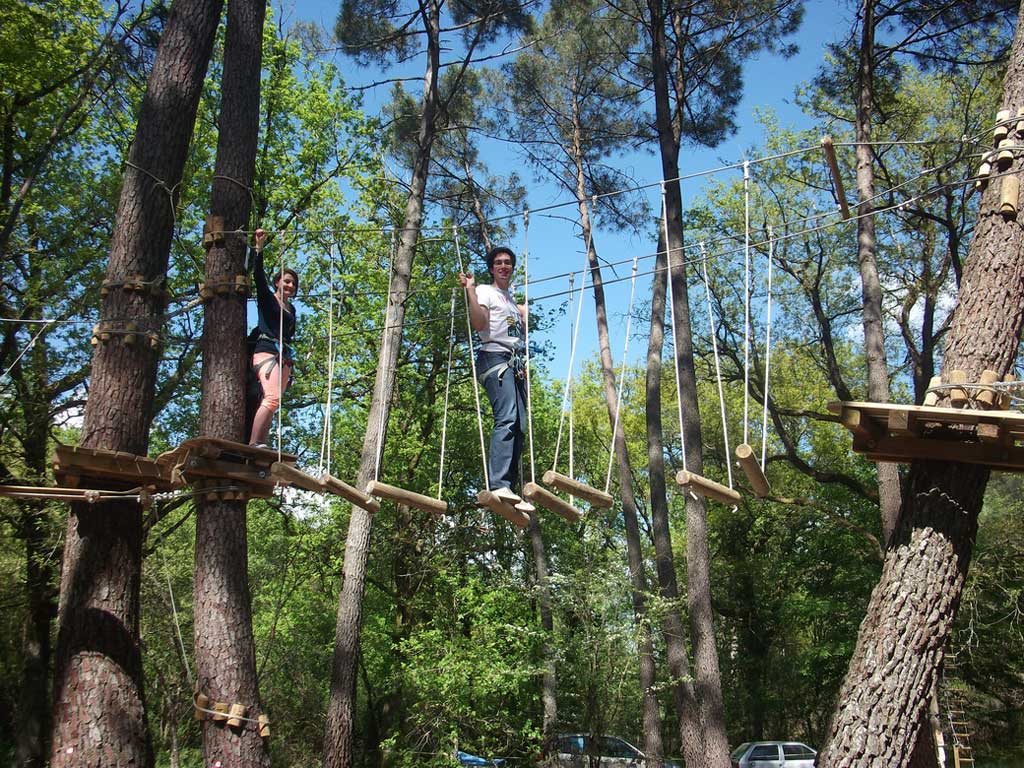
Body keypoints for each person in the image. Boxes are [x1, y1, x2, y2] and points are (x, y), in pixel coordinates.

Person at [459, 246, 534, 513]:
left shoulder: (511, 301)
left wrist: (523, 315)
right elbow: (480, 324)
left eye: (508, 263)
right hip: (494, 357)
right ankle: (499, 483)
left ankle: (508, 488)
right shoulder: (485, 292)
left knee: (520, 426)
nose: (504, 266)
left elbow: (517, 335)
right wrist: (470, 291)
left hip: (514, 362)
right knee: (507, 418)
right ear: (492, 269)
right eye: (499, 263)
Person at [248, 228, 298, 448]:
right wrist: (258, 248)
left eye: (293, 284)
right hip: (266, 350)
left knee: (274, 402)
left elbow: (289, 335)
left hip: (283, 355)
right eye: (286, 281)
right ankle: (254, 442)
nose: (290, 286)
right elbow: (258, 276)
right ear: (277, 282)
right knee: (271, 398)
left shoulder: (292, 309)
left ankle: (262, 442)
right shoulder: (267, 298)